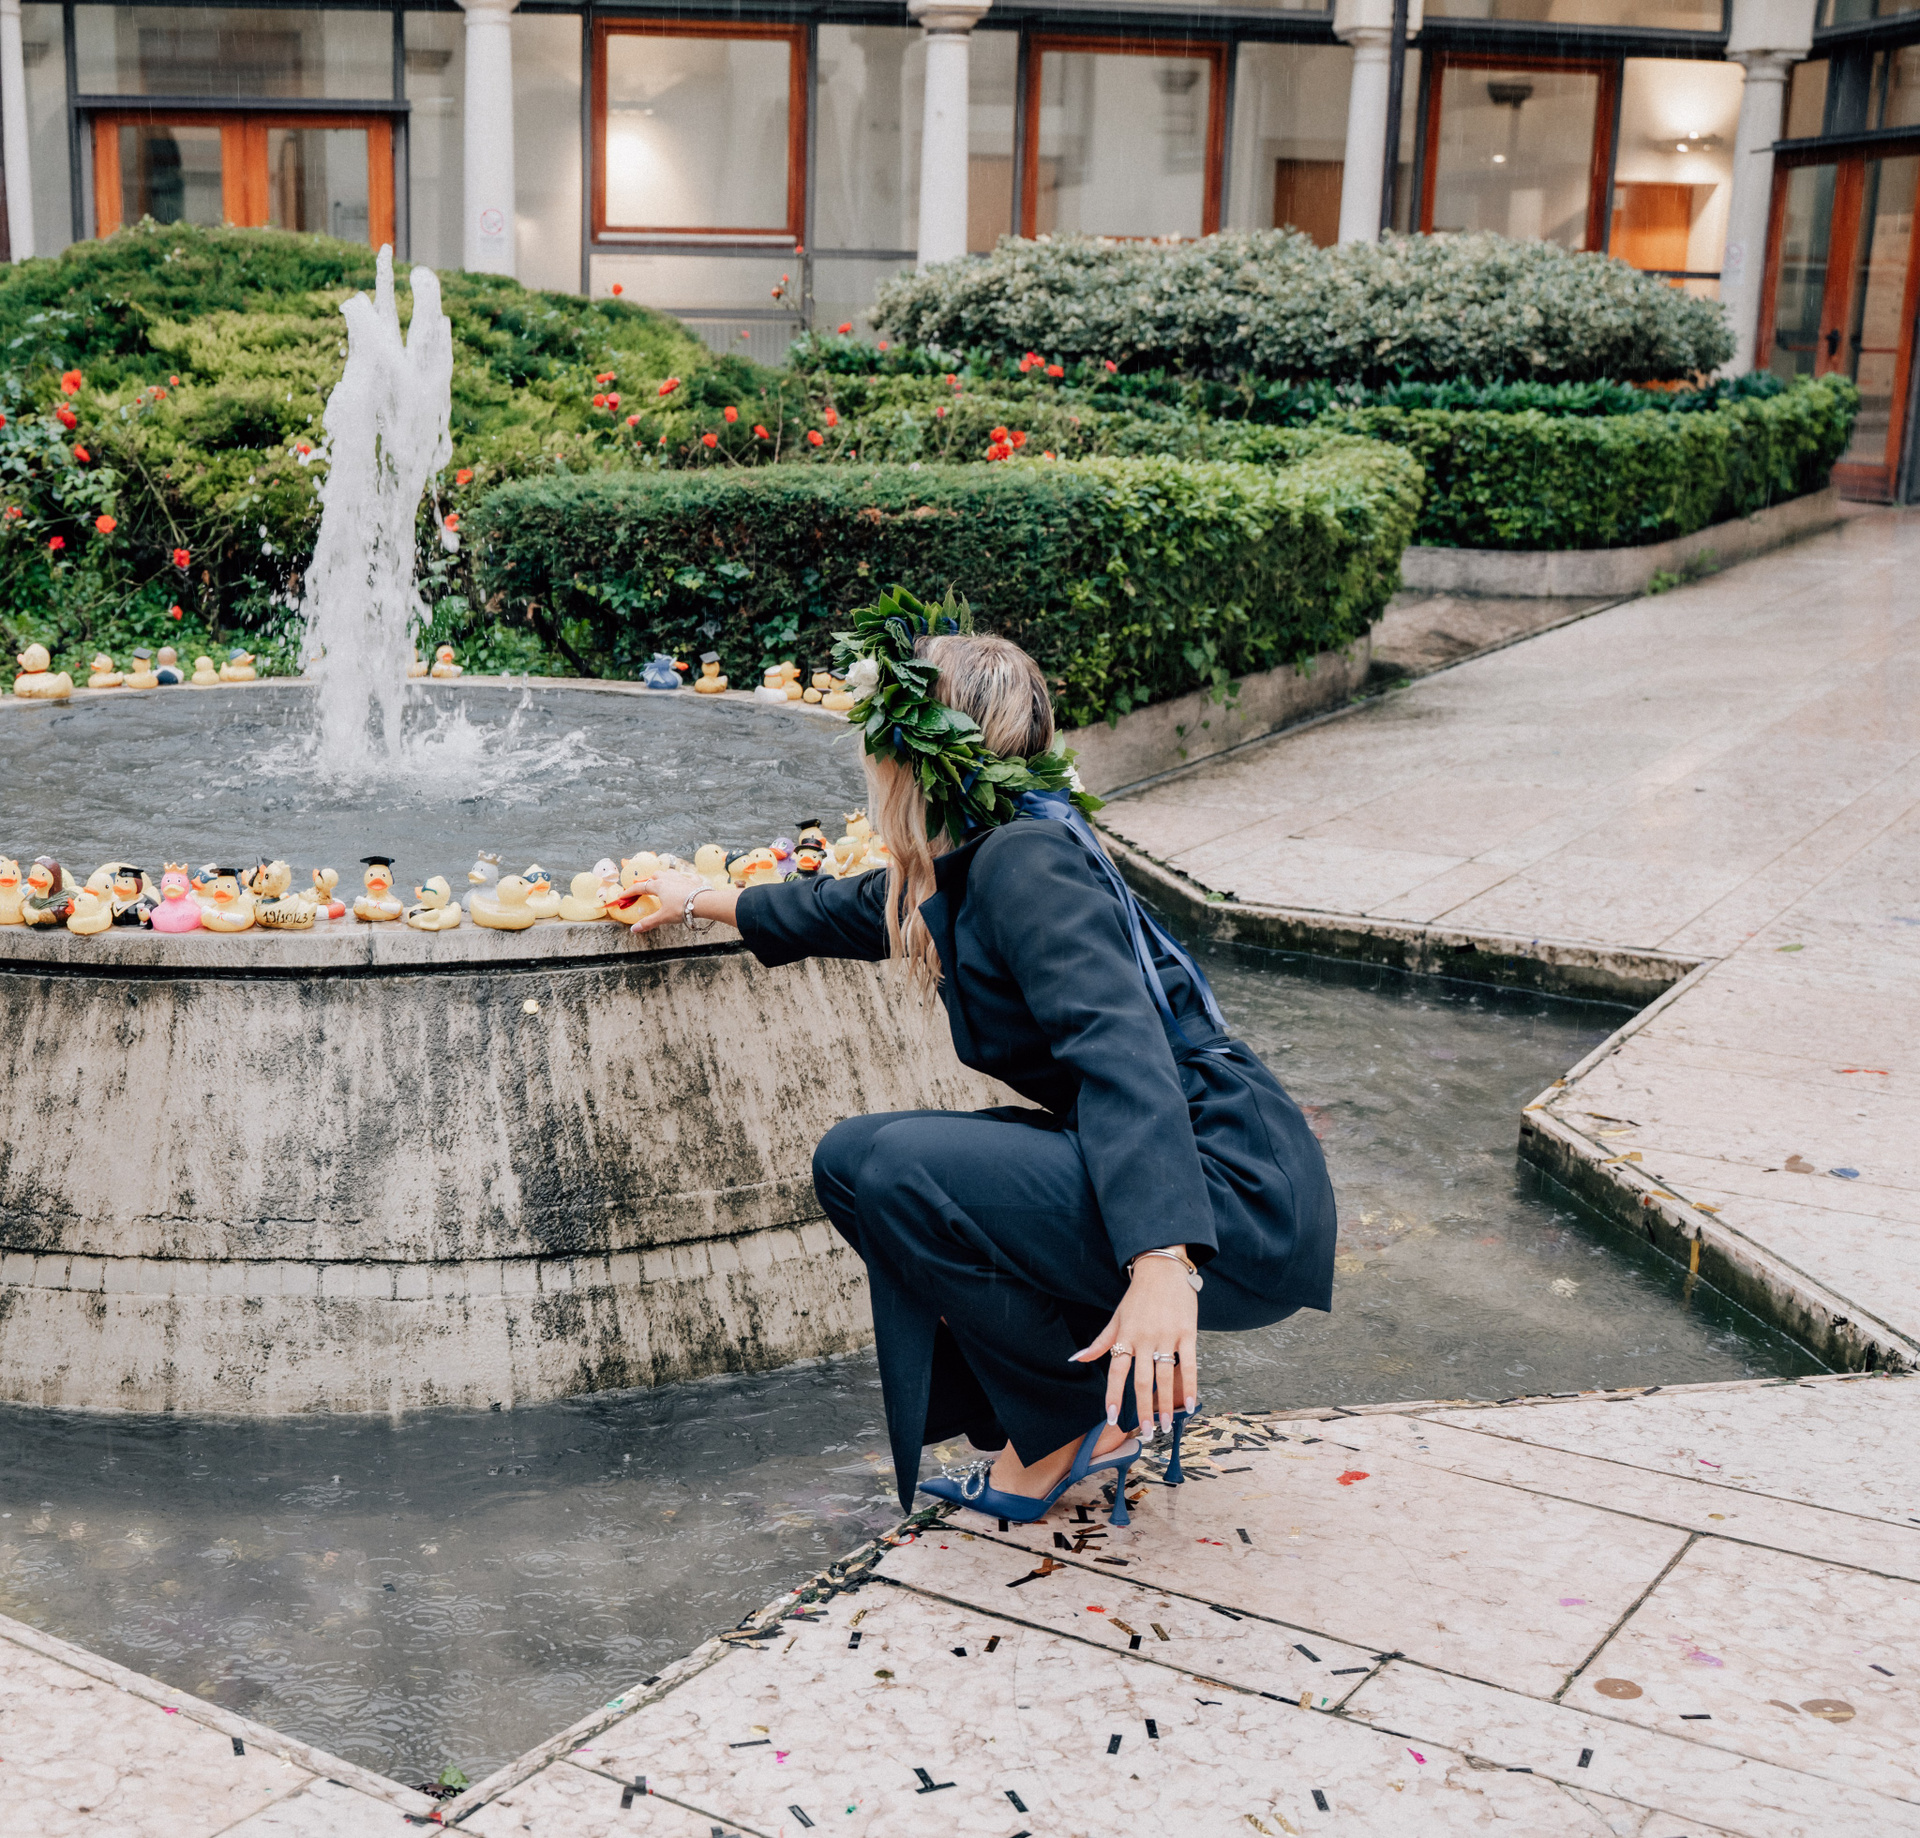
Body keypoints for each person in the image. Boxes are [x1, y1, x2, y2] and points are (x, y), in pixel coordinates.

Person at [630, 590, 1335, 1527]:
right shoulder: (993, 851)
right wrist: (694, 898)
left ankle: (1064, 1432)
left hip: (1227, 1193)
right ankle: (1066, 1416)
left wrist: (1163, 1259)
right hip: (1190, 1166)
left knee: (889, 1163)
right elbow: (852, 908)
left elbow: (1121, 1050)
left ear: (913, 754)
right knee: (860, 1163)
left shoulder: (1024, 863)